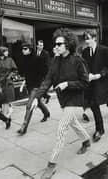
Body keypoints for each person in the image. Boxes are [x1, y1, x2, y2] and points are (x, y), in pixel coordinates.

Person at [28, 28, 90, 179]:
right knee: (73, 123)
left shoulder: (78, 61)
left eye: (59, 44)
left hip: (74, 100)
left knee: (61, 129)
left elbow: (85, 82)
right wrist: (37, 97)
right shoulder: (55, 61)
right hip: (64, 100)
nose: (55, 46)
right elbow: (47, 81)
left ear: (68, 45)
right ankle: (87, 141)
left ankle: (51, 165)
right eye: (55, 44)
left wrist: (67, 84)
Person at [82, 29, 108, 142]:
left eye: (88, 38)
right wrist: (87, 75)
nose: (86, 41)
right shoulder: (85, 51)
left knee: (95, 105)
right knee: (94, 106)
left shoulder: (104, 50)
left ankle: (99, 130)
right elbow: (84, 66)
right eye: (85, 39)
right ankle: (100, 129)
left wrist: (99, 75)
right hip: (89, 83)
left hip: (100, 82)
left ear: (95, 38)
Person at [17, 43, 50, 135]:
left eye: (25, 49)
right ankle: (46, 113)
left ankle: (24, 127)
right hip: (29, 84)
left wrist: (42, 86)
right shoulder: (24, 59)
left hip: (37, 85)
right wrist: (24, 82)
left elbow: (44, 72)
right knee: (37, 102)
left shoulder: (38, 59)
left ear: (30, 50)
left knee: (29, 105)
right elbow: (25, 73)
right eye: (22, 49)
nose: (23, 50)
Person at [0, 47, 17, 121]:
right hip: (0, 82)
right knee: (3, 100)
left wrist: (9, 76)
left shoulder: (10, 60)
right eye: (6, 51)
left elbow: (14, 70)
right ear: (1, 52)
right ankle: (7, 116)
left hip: (8, 82)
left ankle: (7, 116)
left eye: (7, 51)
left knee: (7, 100)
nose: (7, 52)